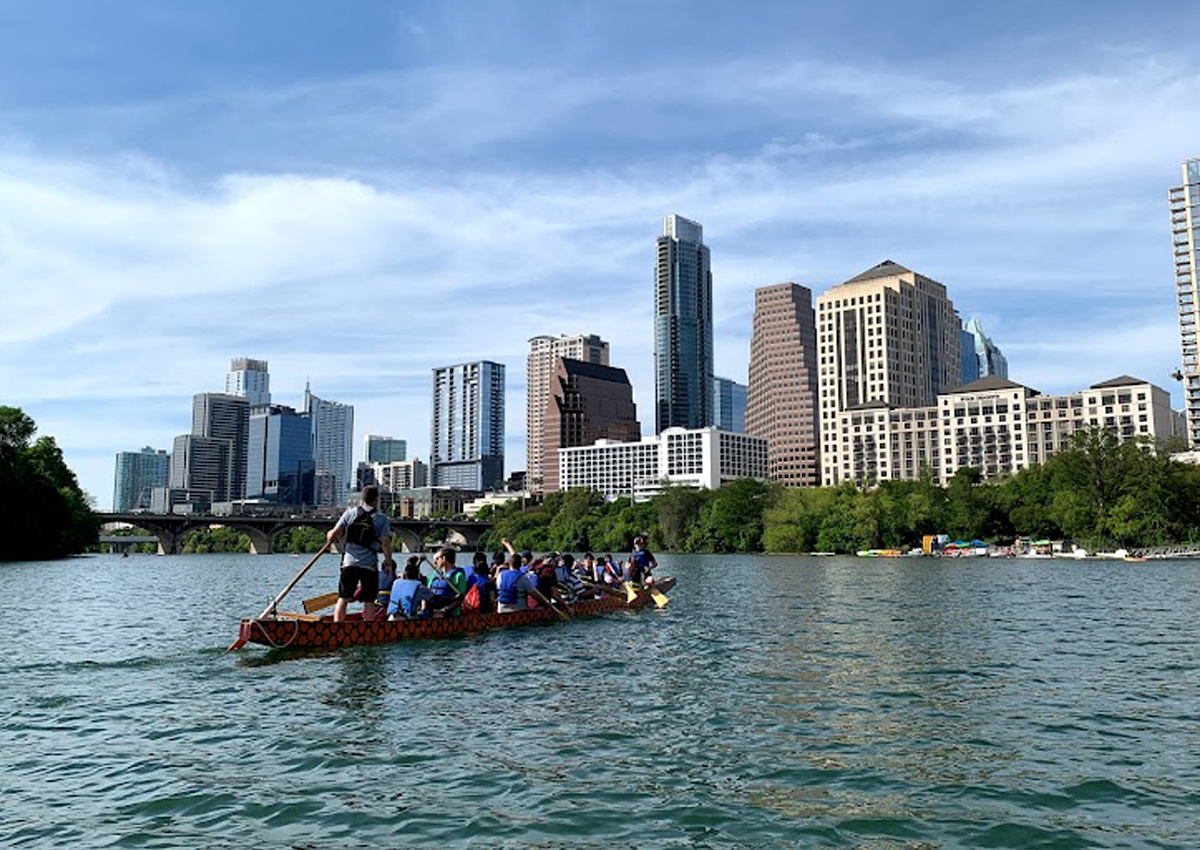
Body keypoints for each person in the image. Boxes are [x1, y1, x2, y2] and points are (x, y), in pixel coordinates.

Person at [327, 485, 394, 622]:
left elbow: (332, 535)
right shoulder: (381, 518)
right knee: (369, 600)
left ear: (361, 499)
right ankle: (368, 628)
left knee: (343, 597)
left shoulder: (349, 513)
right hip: (369, 565)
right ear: (376, 499)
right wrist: (388, 561)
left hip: (349, 563)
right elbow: (385, 543)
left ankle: (337, 626)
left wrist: (330, 535)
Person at [428, 547, 467, 614]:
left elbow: (460, 599)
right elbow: (428, 590)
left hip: (450, 614)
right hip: (433, 610)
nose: (435, 562)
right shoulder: (435, 575)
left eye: (437, 559)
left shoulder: (459, 576)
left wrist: (445, 610)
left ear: (443, 559)